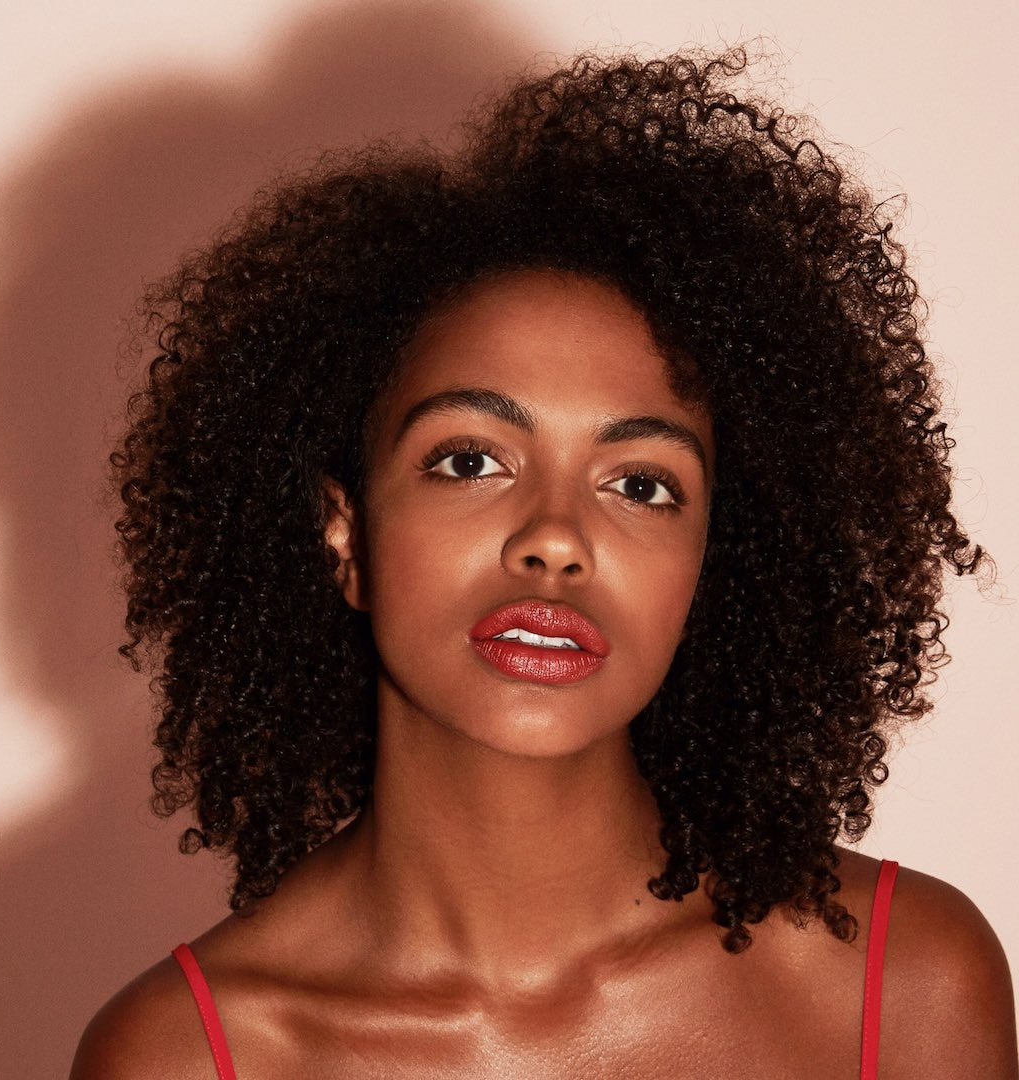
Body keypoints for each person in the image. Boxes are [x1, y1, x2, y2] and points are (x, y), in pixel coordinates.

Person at [71, 49, 1017, 1078]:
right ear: (343, 533)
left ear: (713, 561)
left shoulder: (904, 984)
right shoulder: (185, 1056)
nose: (557, 538)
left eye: (643, 483)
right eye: (470, 459)